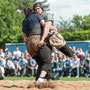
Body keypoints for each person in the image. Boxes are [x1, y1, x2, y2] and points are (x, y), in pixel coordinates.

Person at [22, 7, 52, 82]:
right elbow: (44, 24)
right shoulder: (36, 15)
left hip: (29, 45)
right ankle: (41, 79)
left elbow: (23, 35)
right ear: (32, 11)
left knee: (41, 64)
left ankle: (39, 81)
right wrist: (51, 27)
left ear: (24, 14)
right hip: (36, 40)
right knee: (47, 61)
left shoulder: (24, 20)